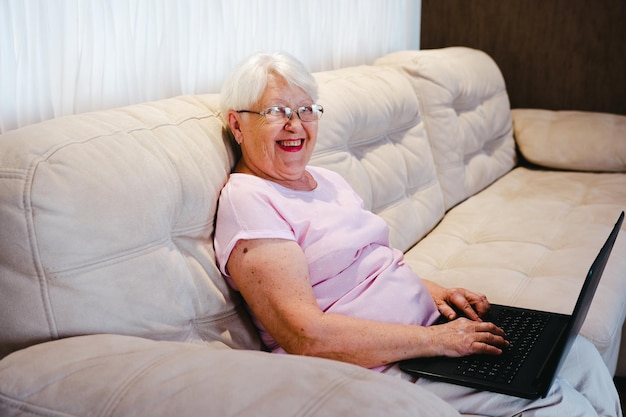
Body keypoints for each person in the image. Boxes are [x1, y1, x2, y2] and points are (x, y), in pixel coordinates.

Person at [214, 51, 622, 417]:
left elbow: (366, 264)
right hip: (381, 366)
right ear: (237, 124)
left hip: (427, 338)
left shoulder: (326, 179)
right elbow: (305, 335)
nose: (295, 125)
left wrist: (434, 291)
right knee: (557, 405)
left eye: (306, 110)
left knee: (579, 357)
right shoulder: (249, 200)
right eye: (276, 112)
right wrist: (441, 342)